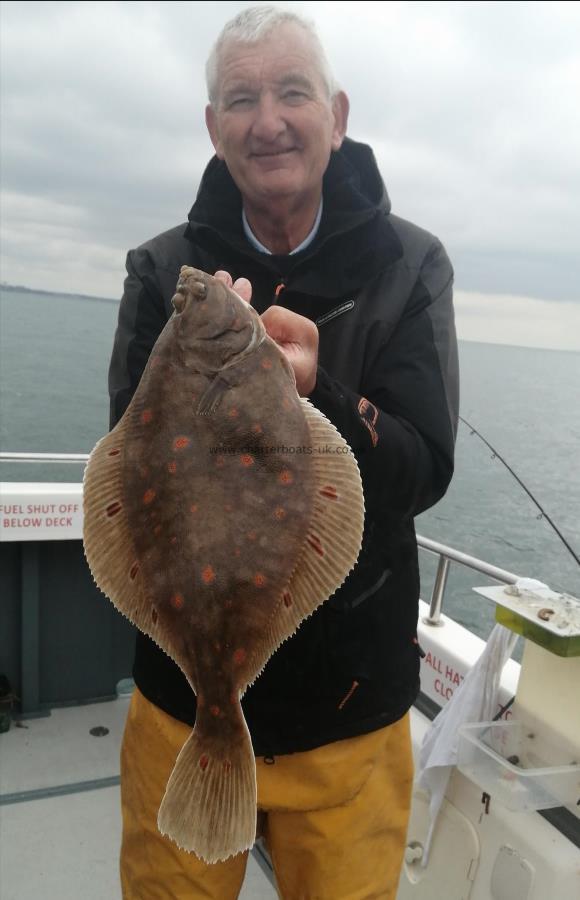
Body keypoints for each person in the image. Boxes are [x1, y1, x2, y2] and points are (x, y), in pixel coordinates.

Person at [109, 5, 459, 898]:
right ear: (213, 128)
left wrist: (316, 394)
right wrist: (206, 362)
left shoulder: (410, 266)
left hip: (350, 707)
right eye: (241, 98)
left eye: (291, 92)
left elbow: (424, 466)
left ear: (336, 116)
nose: (268, 120)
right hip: (183, 708)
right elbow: (133, 463)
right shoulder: (161, 272)